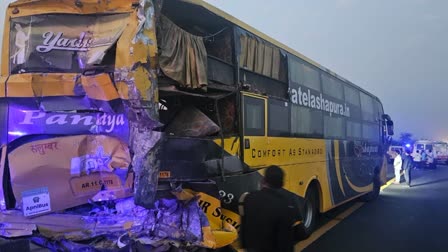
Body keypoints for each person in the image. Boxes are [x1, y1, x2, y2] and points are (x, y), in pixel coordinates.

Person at [240, 165, 306, 252]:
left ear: (263, 180)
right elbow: (300, 233)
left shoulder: (247, 198)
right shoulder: (287, 202)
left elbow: (243, 230)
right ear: (282, 183)